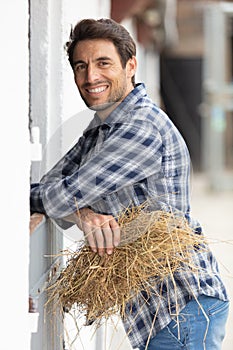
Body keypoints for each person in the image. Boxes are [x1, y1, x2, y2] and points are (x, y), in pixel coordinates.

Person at [30, 18, 229, 350]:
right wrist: (84, 213)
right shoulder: (103, 127)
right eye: (81, 66)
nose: (90, 76)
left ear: (131, 65)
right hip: (162, 310)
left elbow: (63, 193)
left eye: (103, 63)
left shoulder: (140, 129)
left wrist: (70, 202)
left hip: (180, 308)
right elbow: (52, 186)